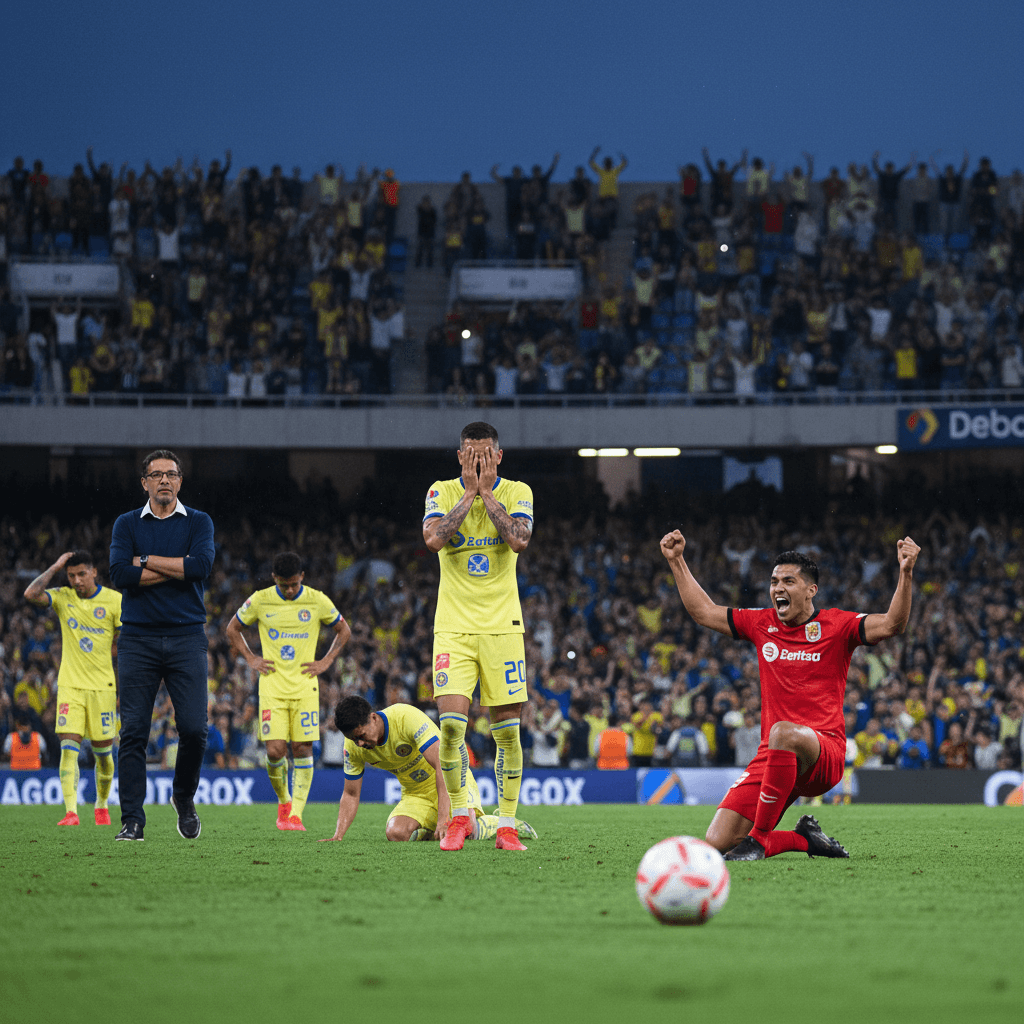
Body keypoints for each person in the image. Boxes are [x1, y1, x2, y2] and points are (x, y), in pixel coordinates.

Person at [660, 530, 920, 861]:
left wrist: (905, 572)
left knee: (782, 731)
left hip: (823, 753)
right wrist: (677, 561)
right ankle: (805, 840)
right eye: (773, 582)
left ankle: (758, 841)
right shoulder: (761, 623)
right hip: (773, 756)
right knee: (718, 840)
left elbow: (893, 624)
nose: (778, 588)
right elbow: (704, 612)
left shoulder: (837, 626)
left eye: (788, 581)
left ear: (811, 590)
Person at [422, 421, 534, 852]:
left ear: (499, 456)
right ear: (459, 457)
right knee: (451, 730)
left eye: (486, 454)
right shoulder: (441, 490)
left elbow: (519, 540)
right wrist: (469, 492)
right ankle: (460, 818)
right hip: (453, 627)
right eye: (471, 454)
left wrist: (486, 492)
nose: (479, 461)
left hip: (503, 627)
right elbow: (433, 539)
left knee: (507, 733)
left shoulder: (518, 491)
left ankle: (506, 826)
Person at [108, 450, 215, 842]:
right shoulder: (126, 523)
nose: (165, 480)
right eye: (156, 475)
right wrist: (177, 568)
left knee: (194, 730)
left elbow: (201, 567)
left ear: (180, 481)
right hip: (138, 639)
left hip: (187, 636)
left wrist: (147, 560)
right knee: (133, 732)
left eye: (171, 474)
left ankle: (182, 797)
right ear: (145, 483)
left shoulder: (199, 521)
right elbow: (120, 574)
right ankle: (132, 820)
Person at [226, 551, 351, 832]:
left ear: (302, 577)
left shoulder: (317, 600)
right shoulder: (260, 600)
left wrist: (326, 661)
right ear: (274, 579)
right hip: (272, 686)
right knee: (275, 751)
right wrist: (251, 658)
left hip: (305, 686)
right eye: (284, 585)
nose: (291, 590)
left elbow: (344, 630)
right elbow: (232, 628)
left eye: (294, 584)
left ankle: (295, 814)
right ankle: (284, 801)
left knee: (302, 747)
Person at [320, 695, 536, 844]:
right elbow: (351, 793)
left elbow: (442, 765)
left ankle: (504, 823)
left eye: (361, 736)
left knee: (467, 829)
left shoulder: (405, 717)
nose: (359, 743)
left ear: (373, 718)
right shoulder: (353, 748)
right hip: (416, 794)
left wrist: (443, 818)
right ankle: (438, 830)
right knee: (396, 833)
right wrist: (338, 835)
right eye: (353, 739)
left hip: (453, 782)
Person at [23, 550, 121, 826]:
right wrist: (55, 567)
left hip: (102, 688)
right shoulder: (63, 597)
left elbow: (124, 640)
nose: (76, 580)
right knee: (69, 749)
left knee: (104, 756)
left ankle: (101, 805)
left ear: (94, 572)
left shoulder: (115, 601)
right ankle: (71, 812)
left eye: (81, 574)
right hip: (70, 686)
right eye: (71, 575)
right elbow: (30, 594)